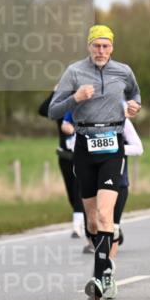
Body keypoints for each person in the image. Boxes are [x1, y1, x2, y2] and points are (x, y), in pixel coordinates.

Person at [48, 25, 141, 300]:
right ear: (89, 46)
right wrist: (75, 98)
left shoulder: (123, 71)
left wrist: (135, 106)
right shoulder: (74, 72)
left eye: (106, 46)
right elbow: (53, 109)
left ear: (112, 47)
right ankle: (106, 270)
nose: (101, 51)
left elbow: (135, 96)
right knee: (92, 219)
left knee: (104, 214)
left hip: (113, 145)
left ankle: (101, 276)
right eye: (96, 46)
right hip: (85, 146)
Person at [39, 90, 85, 238]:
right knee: (72, 194)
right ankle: (82, 217)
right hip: (65, 155)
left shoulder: (84, 105)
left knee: (79, 189)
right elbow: (43, 110)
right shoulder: (62, 106)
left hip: (82, 154)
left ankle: (77, 226)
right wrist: (55, 92)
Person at [109, 114, 143, 266]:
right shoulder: (87, 118)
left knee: (111, 226)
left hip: (119, 183)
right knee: (95, 225)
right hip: (95, 182)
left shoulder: (122, 120)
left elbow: (138, 148)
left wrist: (115, 148)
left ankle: (106, 269)